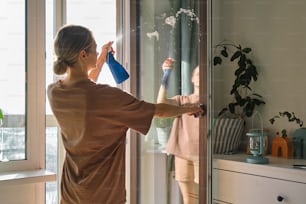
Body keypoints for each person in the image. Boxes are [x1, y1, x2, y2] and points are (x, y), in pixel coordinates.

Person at [47, 24, 203, 204]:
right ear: (83, 55)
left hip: (71, 193)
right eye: (95, 50)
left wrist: (100, 61)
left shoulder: (54, 92)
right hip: (104, 195)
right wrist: (190, 108)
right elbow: (158, 111)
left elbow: (83, 88)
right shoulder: (108, 97)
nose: (98, 53)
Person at [157, 58, 204, 204]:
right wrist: (166, 75)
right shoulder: (182, 100)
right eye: (197, 73)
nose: (200, 76)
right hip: (182, 155)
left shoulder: (210, 101)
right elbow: (161, 105)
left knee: (204, 198)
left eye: (203, 74)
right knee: (189, 200)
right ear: (191, 78)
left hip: (202, 156)